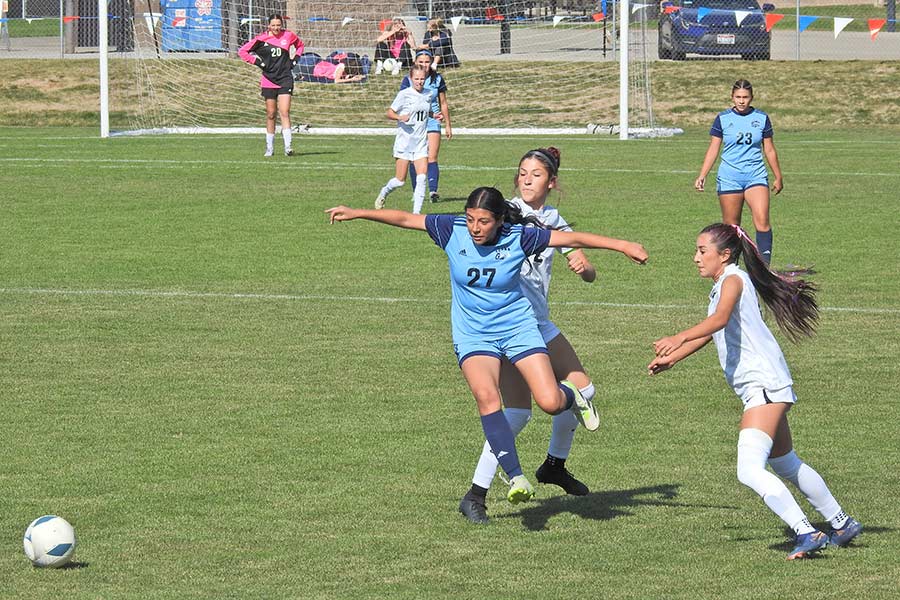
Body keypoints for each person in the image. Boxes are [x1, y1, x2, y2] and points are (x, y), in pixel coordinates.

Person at [327, 187, 648, 507]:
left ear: (499, 222)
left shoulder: (519, 237)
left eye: (483, 221)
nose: (475, 228)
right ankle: (512, 478)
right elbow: (405, 218)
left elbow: (572, 240)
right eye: (470, 220)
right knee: (488, 398)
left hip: (517, 328)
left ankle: (571, 395)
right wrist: (358, 212)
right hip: (474, 335)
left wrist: (622, 245)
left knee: (550, 402)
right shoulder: (450, 230)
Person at [648, 223, 862, 560]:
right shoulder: (725, 282)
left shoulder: (733, 280)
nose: (695, 258)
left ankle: (806, 531)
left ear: (725, 254)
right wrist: (674, 358)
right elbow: (714, 330)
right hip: (768, 384)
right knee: (786, 463)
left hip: (762, 386)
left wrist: (678, 336)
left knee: (748, 470)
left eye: (702, 251)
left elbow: (718, 321)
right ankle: (842, 523)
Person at [459, 147, 599, 524]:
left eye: (535, 174)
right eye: (522, 172)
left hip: (538, 322)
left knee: (572, 394)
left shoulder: (557, 222)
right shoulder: (504, 213)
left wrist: (584, 266)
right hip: (509, 324)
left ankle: (553, 465)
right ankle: (478, 493)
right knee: (520, 413)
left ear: (551, 182)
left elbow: (587, 271)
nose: (526, 179)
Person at [694, 80, 784, 265]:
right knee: (732, 228)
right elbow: (713, 148)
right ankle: (732, 268)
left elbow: (769, 149)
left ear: (751, 98)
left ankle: (764, 268)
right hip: (729, 178)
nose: (741, 101)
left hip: (755, 176)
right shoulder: (723, 118)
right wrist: (702, 175)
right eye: (738, 97)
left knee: (762, 220)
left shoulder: (761, 118)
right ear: (732, 97)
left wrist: (778, 176)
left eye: (745, 97)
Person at [238, 14, 304, 157]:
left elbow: (300, 46)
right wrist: (258, 62)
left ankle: (288, 147)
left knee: (285, 112)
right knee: (271, 114)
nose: (276, 28)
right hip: (268, 80)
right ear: (268, 25)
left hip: (285, 78)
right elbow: (242, 52)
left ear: (282, 25)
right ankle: (270, 148)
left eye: (278, 25)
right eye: (273, 25)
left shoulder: (289, 35)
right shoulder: (261, 39)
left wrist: (295, 60)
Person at [375, 64, 435, 215]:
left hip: (421, 143)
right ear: (411, 78)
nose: (419, 82)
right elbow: (389, 113)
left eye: (422, 79)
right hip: (405, 143)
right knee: (400, 181)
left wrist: (435, 115)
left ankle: (416, 214)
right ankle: (383, 193)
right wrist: (400, 117)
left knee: (421, 178)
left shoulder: (428, 94)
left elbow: (426, 111)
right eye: (416, 79)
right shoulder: (404, 94)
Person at [399, 50, 452, 203]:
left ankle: (433, 191)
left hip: (433, 120)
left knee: (432, 157)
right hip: (414, 123)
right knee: (413, 157)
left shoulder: (437, 79)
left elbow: (443, 103)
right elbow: (403, 101)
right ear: (416, 62)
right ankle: (417, 192)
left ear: (431, 62)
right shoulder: (408, 79)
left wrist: (448, 124)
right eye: (420, 62)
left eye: (427, 61)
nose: (424, 64)